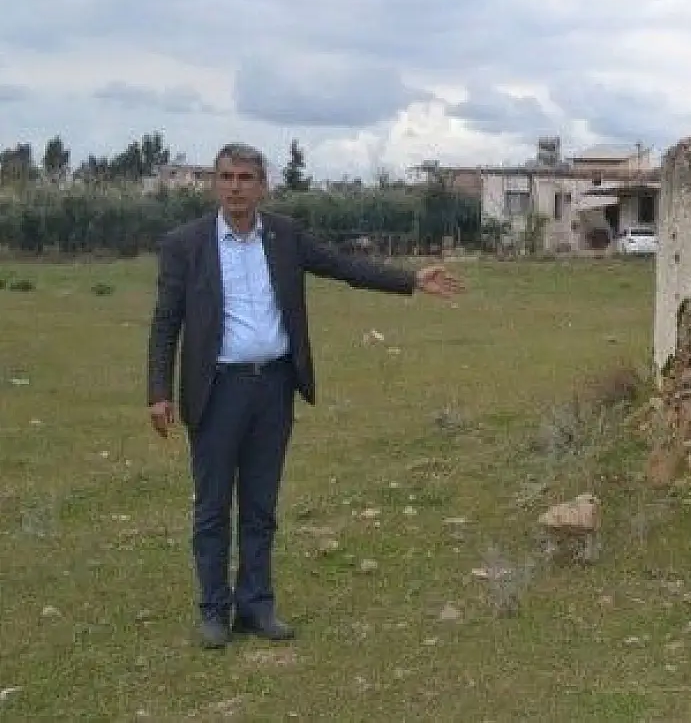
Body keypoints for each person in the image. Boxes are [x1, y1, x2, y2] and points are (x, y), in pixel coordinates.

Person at [146, 143, 464, 649]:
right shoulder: (186, 244)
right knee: (211, 509)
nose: (235, 187)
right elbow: (166, 322)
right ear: (214, 184)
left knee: (260, 505)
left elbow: (343, 267)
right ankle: (213, 611)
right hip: (216, 389)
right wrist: (158, 390)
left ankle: (256, 606)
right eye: (226, 176)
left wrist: (410, 281)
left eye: (246, 177)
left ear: (262, 185)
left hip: (273, 386)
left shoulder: (284, 236)